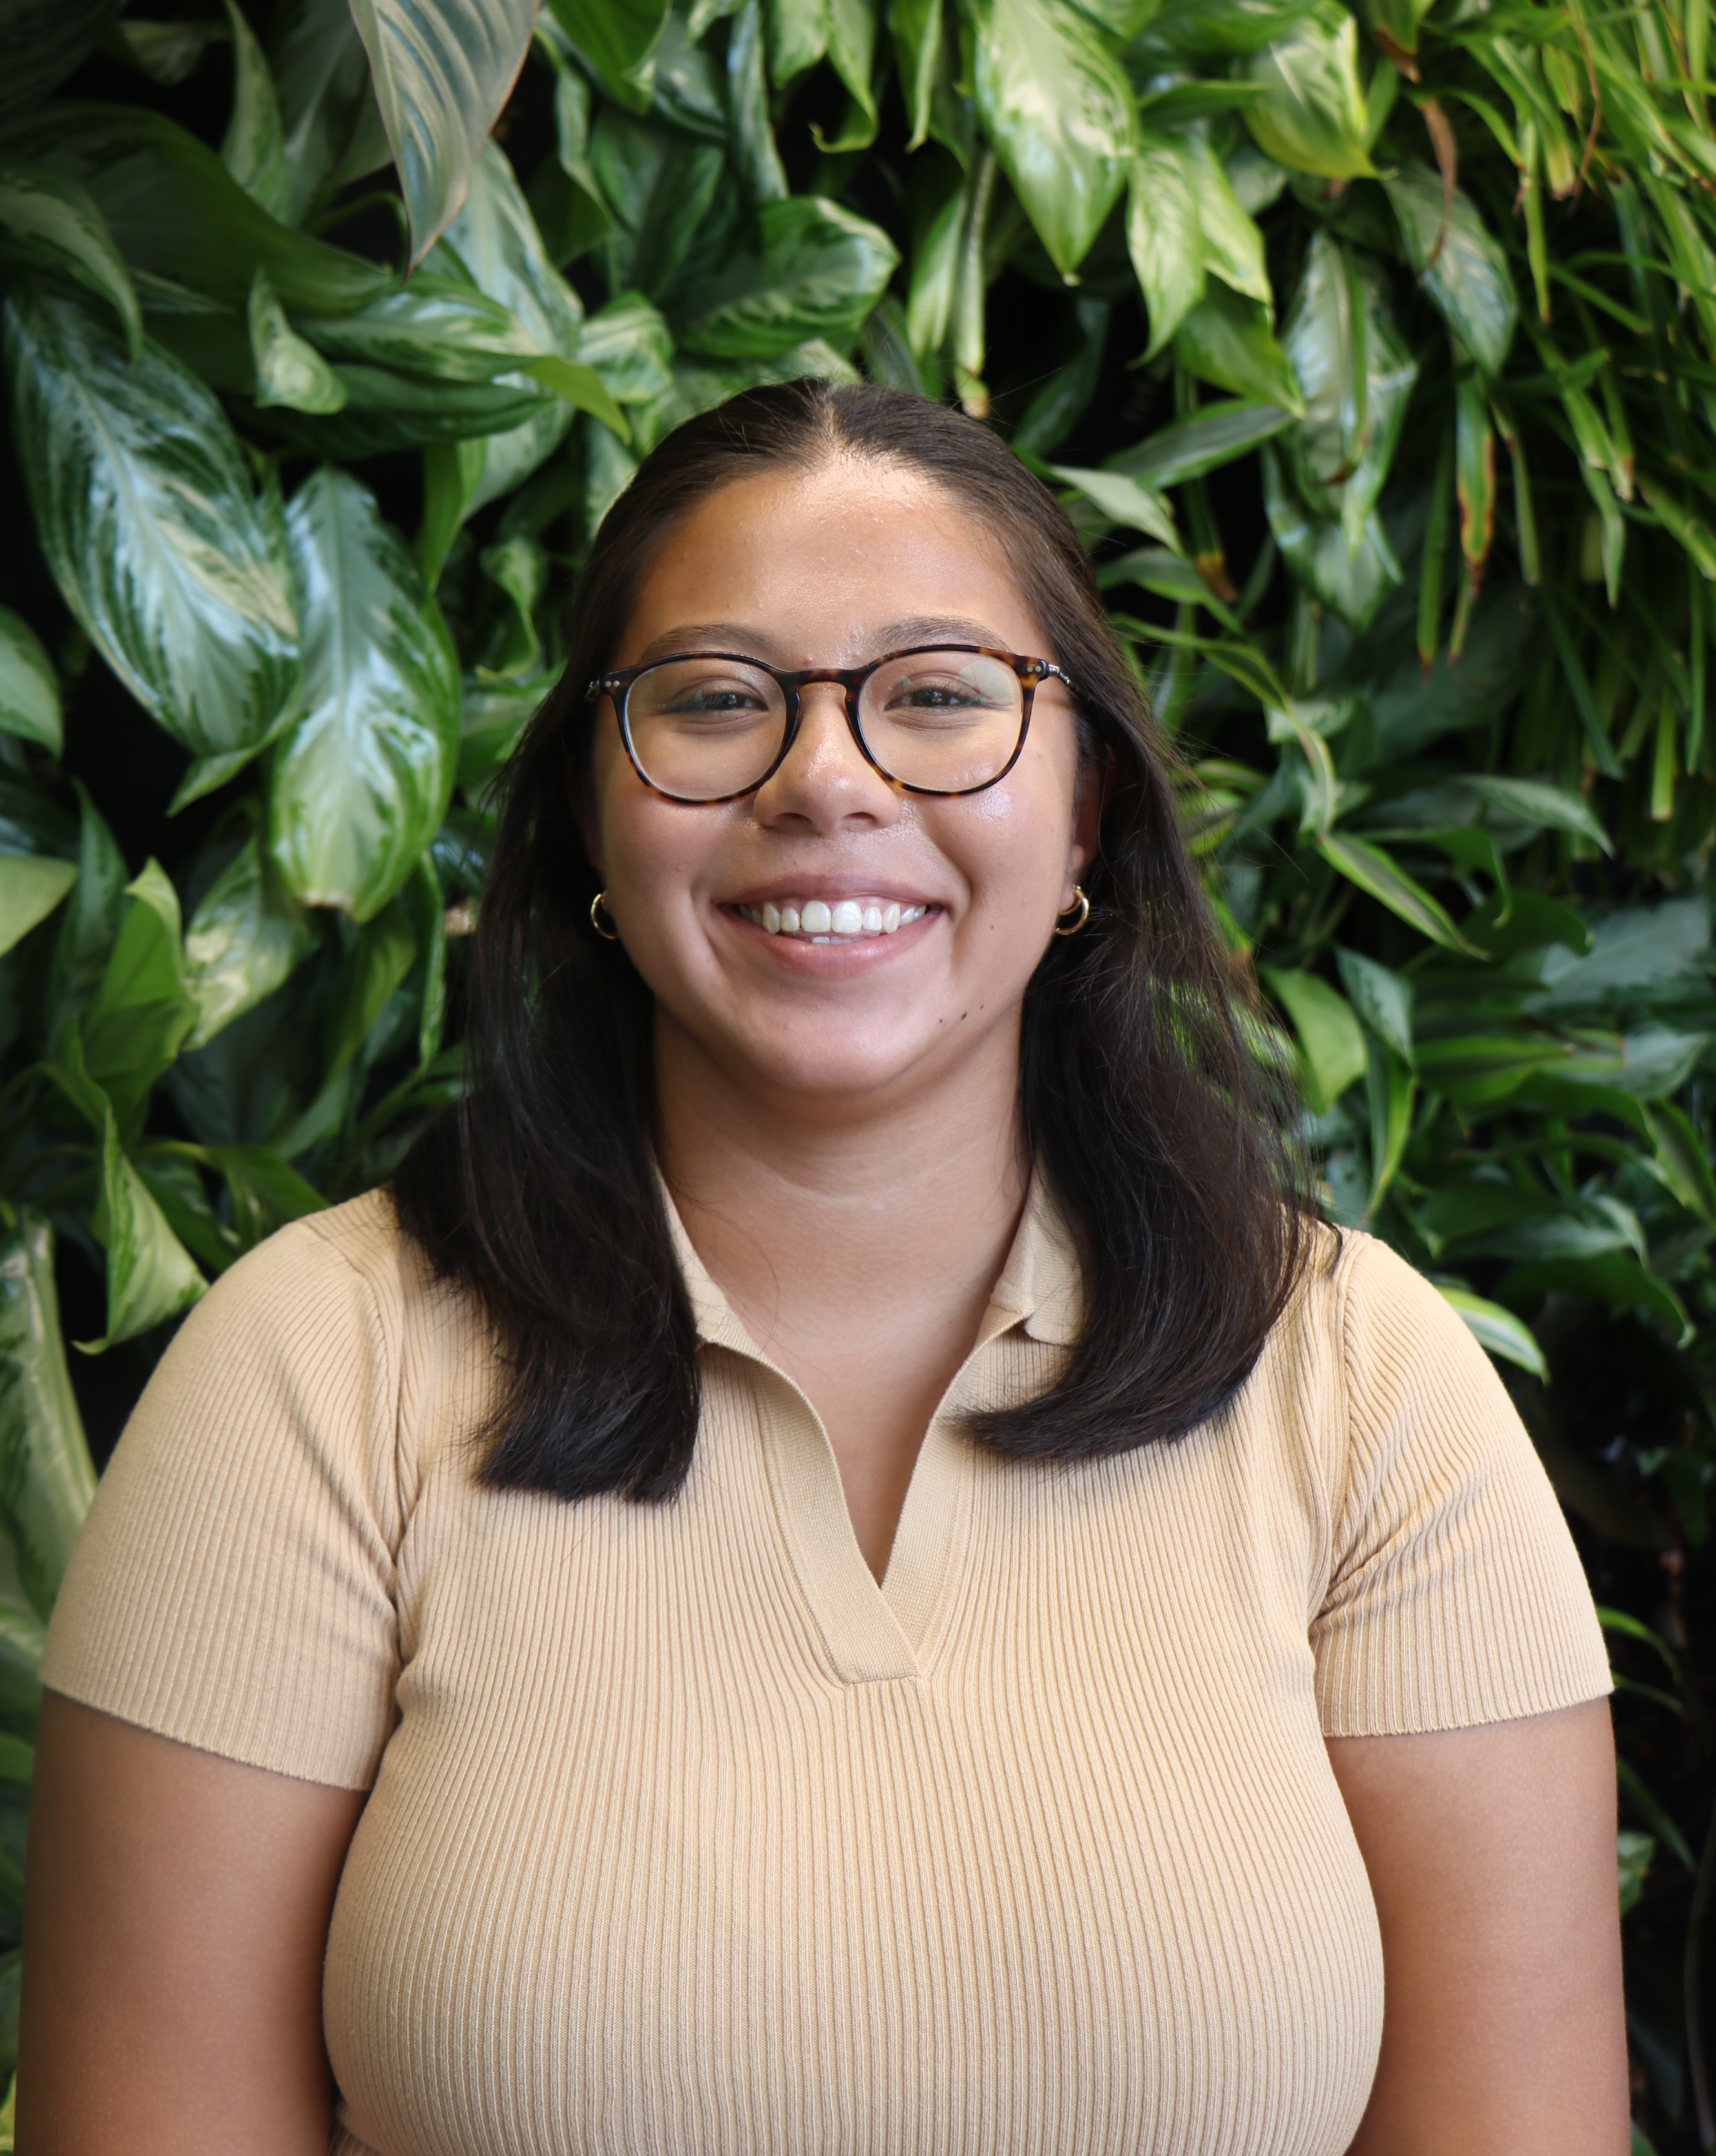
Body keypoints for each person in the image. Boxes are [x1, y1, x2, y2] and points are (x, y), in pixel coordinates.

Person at [23, 381, 1625, 2156]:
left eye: (939, 696)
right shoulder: (315, 1373)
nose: (828, 781)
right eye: (715, 702)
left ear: (1084, 812)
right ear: (592, 821)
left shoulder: (1365, 1390)